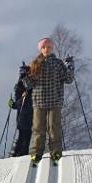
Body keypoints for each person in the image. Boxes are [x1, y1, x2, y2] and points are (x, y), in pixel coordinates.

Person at [21, 36, 76, 164]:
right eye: (44, 47)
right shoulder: (35, 64)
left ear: (52, 49)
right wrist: (24, 75)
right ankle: (36, 153)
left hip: (55, 101)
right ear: (41, 49)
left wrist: (70, 68)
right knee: (38, 128)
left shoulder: (58, 63)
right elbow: (29, 84)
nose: (46, 49)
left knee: (54, 127)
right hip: (39, 101)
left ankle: (56, 151)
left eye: (49, 47)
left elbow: (68, 79)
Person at [9, 64, 34, 157]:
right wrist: (14, 103)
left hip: (27, 113)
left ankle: (20, 153)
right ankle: (19, 153)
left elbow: (17, 104)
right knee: (24, 134)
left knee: (25, 134)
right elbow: (18, 103)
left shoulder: (28, 84)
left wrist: (14, 104)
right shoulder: (20, 85)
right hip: (24, 114)